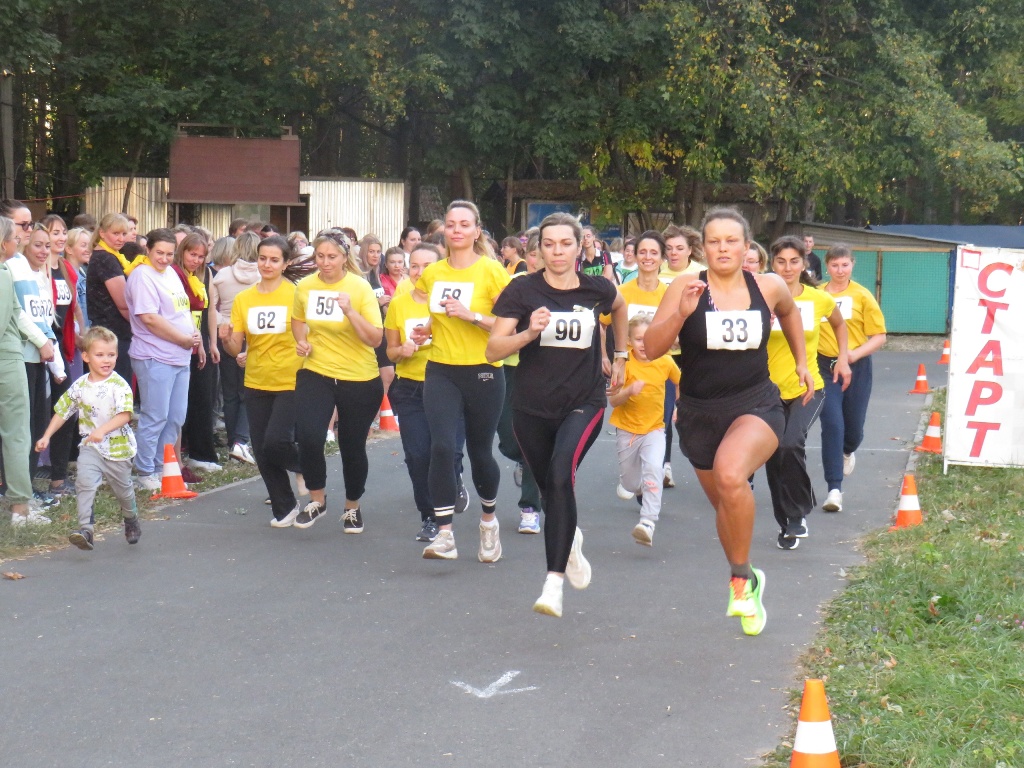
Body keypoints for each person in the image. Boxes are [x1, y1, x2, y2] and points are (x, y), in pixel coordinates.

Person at [646, 207, 814, 636]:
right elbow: (650, 347)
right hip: (700, 413)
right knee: (726, 505)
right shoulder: (687, 285)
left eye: (731, 240)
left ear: (746, 245)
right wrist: (681, 314)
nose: (723, 248)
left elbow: (792, 313)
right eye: (715, 241)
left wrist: (801, 362)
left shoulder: (769, 285)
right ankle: (751, 577)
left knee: (731, 474)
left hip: (756, 404)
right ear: (704, 246)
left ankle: (740, 580)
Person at [488, 211, 627, 616]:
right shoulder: (522, 292)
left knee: (561, 472)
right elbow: (493, 350)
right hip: (530, 407)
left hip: (582, 402)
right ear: (538, 249)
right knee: (551, 491)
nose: (557, 251)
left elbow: (620, 306)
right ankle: (572, 540)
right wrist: (529, 332)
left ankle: (553, 585)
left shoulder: (596, 288)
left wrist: (619, 355)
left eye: (565, 243)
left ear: (579, 246)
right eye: (548, 244)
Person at [412, 200, 509, 561]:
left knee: (480, 450)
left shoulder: (492, 272)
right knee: (441, 446)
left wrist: (472, 316)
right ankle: (445, 534)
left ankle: (488, 523)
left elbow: (506, 324)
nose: (456, 230)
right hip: (441, 369)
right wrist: (426, 329)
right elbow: (439, 318)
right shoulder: (433, 273)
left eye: (464, 224)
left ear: (476, 231)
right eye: (451, 224)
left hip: (483, 371)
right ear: (444, 231)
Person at [291, 231, 384, 532]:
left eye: (332, 257)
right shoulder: (305, 286)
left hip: (359, 376)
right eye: (320, 256)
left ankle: (352, 507)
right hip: (316, 370)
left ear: (345, 257)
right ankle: (317, 498)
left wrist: (349, 311)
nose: (325, 262)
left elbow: (375, 338)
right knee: (308, 435)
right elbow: (297, 320)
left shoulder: (359, 288)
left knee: (352, 445)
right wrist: (301, 341)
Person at [766, 236, 850, 549]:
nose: (787, 268)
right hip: (768, 392)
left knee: (790, 443)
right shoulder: (761, 298)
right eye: (781, 261)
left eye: (794, 261)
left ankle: (798, 512)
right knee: (773, 454)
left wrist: (842, 358)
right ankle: (787, 521)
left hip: (808, 388)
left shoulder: (819, 299)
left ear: (804, 264)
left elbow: (840, 325)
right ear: (772, 264)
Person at [384, 242, 471, 541]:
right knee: (418, 456)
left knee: (448, 452)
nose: (420, 272)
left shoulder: (454, 299)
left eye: (427, 266)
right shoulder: (399, 303)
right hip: (410, 387)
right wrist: (402, 350)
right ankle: (431, 517)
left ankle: (455, 477)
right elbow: (390, 352)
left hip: (450, 383)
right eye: (414, 266)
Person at [222, 235, 306, 526]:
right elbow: (236, 348)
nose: (267, 264)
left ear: (286, 264)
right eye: (262, 258)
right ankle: (284, 507)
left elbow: (309, 336)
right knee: (260, 448)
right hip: (256, 378)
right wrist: (228, 340)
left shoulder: (297, 294)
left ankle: (305, 465)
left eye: (274, 259)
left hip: (291, 378)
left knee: (276, 440)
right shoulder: (245, 299)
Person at [34, 326, 141, 549]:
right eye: (99, 355)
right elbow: (63, 411)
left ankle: (130, 518)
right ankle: (86, 530)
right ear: (86, 356)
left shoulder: (118, 385)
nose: (106, 360)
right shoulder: (80, 385)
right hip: (90, 446)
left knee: (123, 491)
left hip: (117, 448)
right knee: (84, 484)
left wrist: (102, 430)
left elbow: (124, 415)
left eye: (111, 355)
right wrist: (46, 436)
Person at [602, 231, 677, 491]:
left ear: (662, 258)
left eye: (653, 252)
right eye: (642, 252)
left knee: (659, 422)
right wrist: (605, 355)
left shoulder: (669, 294)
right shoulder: (621, 292)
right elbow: (601, 325)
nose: (647, 257)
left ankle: (654, 473)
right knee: (631, 420)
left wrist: (674, 341)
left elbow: (681, 332)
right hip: (629, 369)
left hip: (661, 370)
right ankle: (634, 472)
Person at [126, 229, 201, 491]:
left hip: (180, 356)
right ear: (148, 250)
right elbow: (149, 318)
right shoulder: (142, 276)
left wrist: (195, 339)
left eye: (170, 254)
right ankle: (145, 470)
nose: (165, 259)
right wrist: (181, 339)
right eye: (160, 253)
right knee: (155, 415)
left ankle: (161, 466)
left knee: (175, 417)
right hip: (154, 355)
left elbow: (184, 310)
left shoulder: (171, 273)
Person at [817, 243, 886, 513]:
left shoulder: (862, 296)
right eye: (835, 265)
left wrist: (853, 356)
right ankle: (834, 489)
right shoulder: (817, 294)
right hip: (824, 366)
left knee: (853, 428)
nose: (840, 270)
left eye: (845, 265)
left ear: (852, 265)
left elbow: (879, 336)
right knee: (832, 424)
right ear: (827, 266)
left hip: (856, 365)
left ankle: (848, 450)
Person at [607, 314, 680, 546]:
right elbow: (614, 402)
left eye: (648, 339)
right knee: (631, 484)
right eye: (638, 339)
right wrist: (628, 391)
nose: (643, 344)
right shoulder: (624, 364)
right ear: (629, 342)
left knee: (653, 469)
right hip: (627, 431)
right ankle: (638, 486)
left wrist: (680, 406)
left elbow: (682, 382)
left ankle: (647, 522)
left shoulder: (666, 362)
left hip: (655, 430)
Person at [494, 231, 544, 535]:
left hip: (547, 371)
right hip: (512, 366)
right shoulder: (516, 285)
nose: (540, 259)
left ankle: (529, 507)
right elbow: (496, 324)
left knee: (533, 439)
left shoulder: (567, 287)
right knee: (507, 437)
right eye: (536, 253)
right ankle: (524, 462)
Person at [10, 224, 65, 503]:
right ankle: (18, 491)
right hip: (21, 357)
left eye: (47, 245)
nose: (44, 250)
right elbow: (21, 318)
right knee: (23, 428)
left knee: (37, 425)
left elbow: (46, 322)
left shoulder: (40, 277)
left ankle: (28, 486)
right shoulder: (13, 272)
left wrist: (56, 362)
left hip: (41, 359)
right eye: (38, 244)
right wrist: (45, 345)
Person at [1, 216, 50, 525]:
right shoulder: (3, 273)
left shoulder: (7, 270)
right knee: (18, 432)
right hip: (7, 358)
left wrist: (40, 340)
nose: (18, 240)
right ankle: (20, 505)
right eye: (13, 235)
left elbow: (18, 312)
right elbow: (12, 317)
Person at [41, 214, 83, 498]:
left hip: (63, 348)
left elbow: (75, 309)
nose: (59, 237)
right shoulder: (37, 269)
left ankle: (59, 478)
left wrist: (85, 338)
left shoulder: (67, 268)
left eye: (62, 231)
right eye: (53, 232)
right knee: (39, 414)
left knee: (66, 410)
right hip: (40, 349)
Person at [173, 233, 221, 474]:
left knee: (204, 396)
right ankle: (180, 451)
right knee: (182, 399)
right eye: (192, 255)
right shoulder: (174, 274)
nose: (196, 261)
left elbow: (210, 308)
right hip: (181, 338)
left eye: (201, 257)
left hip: (200, 335)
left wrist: (211, 341)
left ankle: (201, 451)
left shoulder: (206, 274)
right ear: (182, 252)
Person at [210, 232, 260, 463]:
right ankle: (242, 440)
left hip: (228, 333)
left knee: (230, 393)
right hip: (256, 335)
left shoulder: (222, 275)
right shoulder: (263, 276)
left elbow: (212, 306)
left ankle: (233, 442)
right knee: (249, 391)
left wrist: (223, 324)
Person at [86, 213, 134, 384]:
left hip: (112, 332)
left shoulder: (109, 256)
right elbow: (123, 303)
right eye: (116, 233)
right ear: (102, 233)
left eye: (124, 234)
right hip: (112, 334)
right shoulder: (106, 259)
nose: (121, 238)